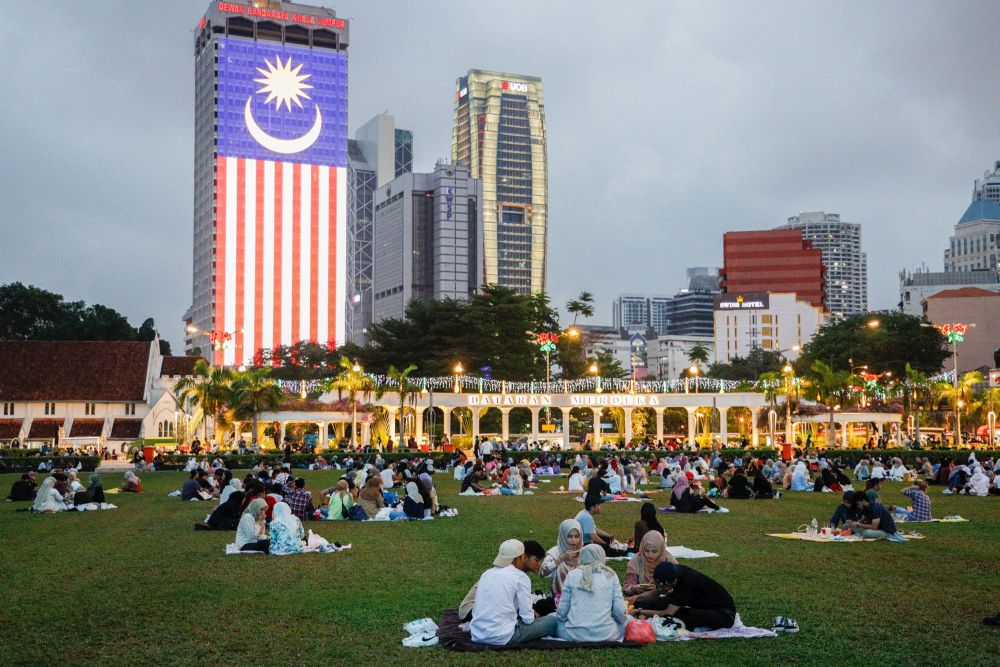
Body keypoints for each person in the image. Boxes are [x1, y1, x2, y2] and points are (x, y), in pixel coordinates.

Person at [470, 540, 557, 645]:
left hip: (476, 634)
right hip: (501, 636)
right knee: (553, 622)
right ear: (520, 558)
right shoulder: (520, 577)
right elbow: (528, 619)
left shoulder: (486, 574)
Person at [632, 562, 737, 631]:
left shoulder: (687, 582)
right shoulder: (673, 571)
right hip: (702, 604)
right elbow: (655, 594)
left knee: (678, 615)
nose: (661, 589)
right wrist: (632, 600)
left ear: (674, 581)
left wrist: (640, 612)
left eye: (665, 587)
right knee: (661, 602)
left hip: (724, 614)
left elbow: (667, 613)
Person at [556, 544, 627, 642]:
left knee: (555, 621)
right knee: (627, 621)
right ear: (602, 556)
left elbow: (562, 612)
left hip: (573, 634)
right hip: (607, 635)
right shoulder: (610, 575)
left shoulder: (572, 575)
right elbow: (620, 611)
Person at [460, 541, 546, 622]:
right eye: (536, 560)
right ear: (524, 557)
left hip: (482, 610)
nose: (539, 564)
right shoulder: (511, 574)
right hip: (469, 610)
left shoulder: (512, 571)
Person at [624, 530, 677, 597]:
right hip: (640, 600)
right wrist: (634, 588)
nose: (650, 555)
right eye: (646, 551)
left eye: (654, 551)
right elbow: (626, 589)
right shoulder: (636, 561)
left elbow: (678, 588)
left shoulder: (669, 561)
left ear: (661, 549)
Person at [540, 519, 582, 597]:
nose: (574, 540)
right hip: (557, 598)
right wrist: (561, 558)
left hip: (579, 598)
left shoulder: (585, 552)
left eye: (577, 536)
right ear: (563, 536)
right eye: (569, 536)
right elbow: (543, 572)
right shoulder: (555, 552)